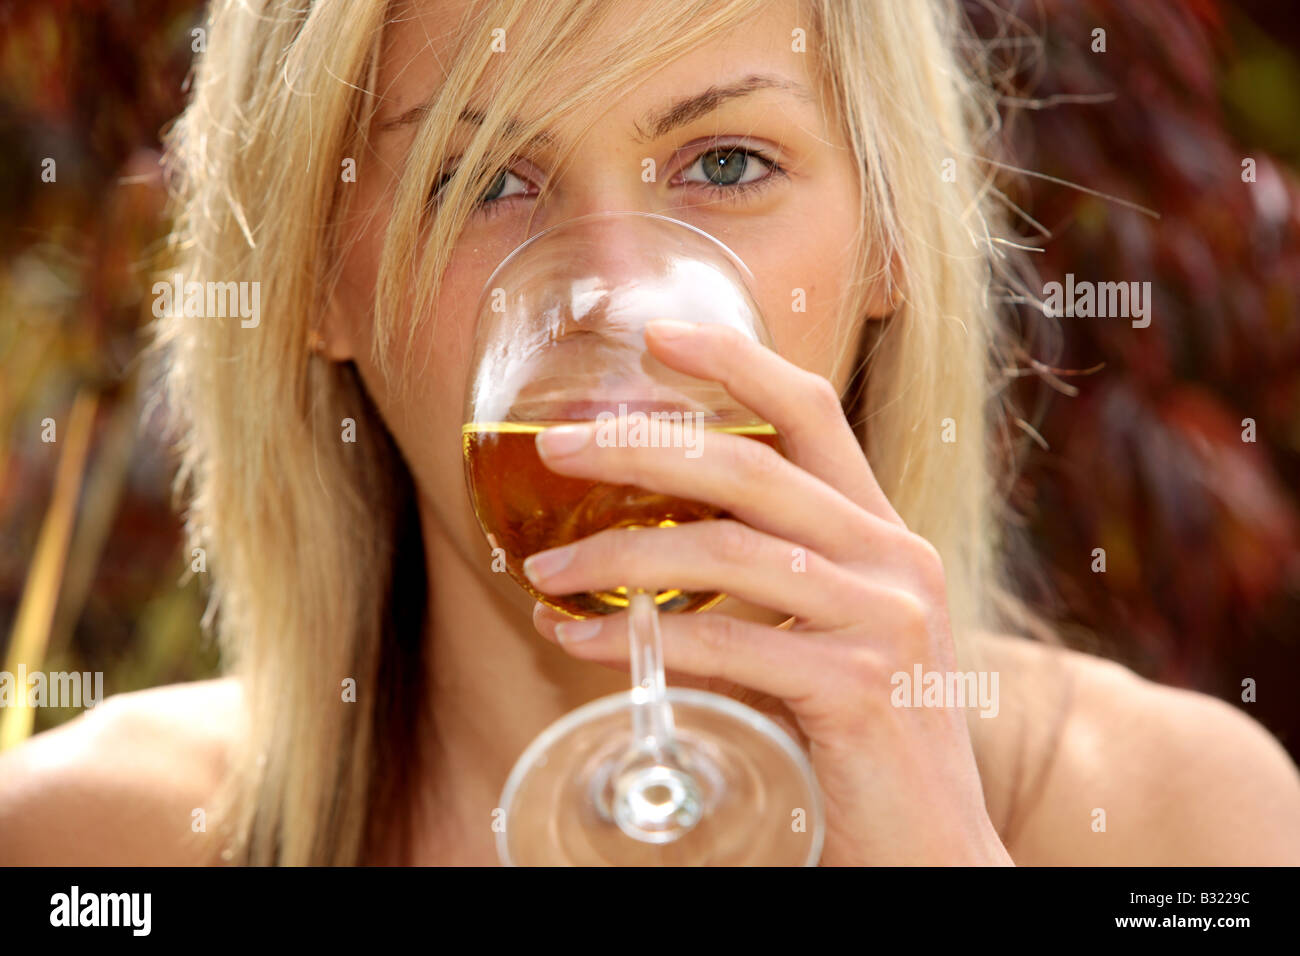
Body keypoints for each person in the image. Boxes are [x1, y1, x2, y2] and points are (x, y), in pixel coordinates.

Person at [2, 0, 1298, 866]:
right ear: (320, 286)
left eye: (726, 163)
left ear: (892, 239)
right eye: (480, 181)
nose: (615, 297)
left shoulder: (1173, 823)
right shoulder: (81, 849)